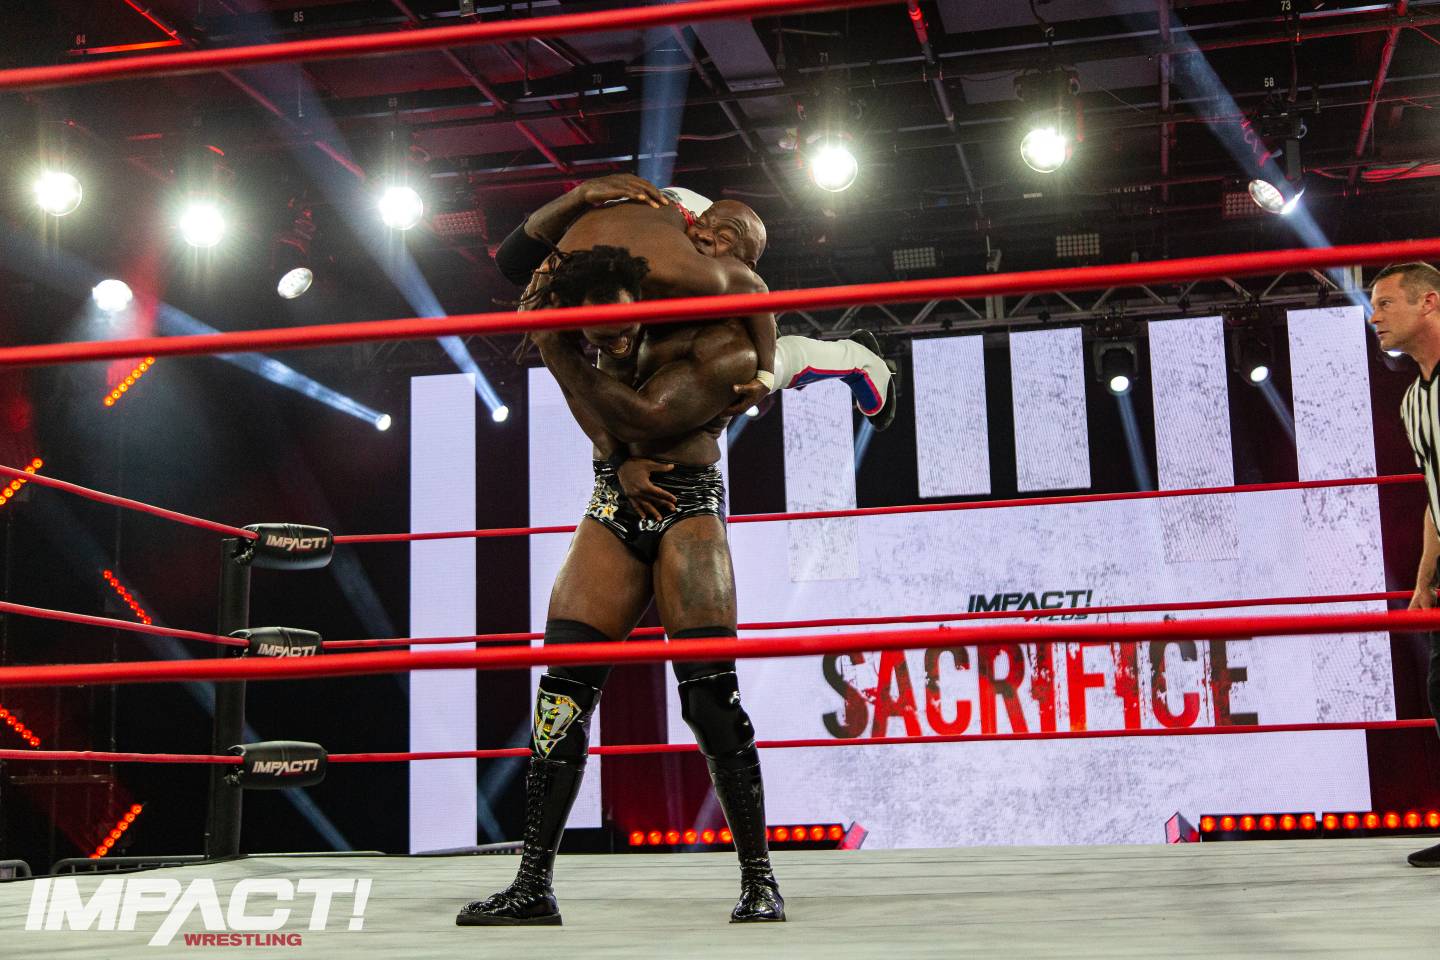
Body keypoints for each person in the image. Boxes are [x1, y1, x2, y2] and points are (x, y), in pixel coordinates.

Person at [458, 213, 784, 926]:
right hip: (613, 501)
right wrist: (615, 460)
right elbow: (599, 410)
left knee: (709, 700)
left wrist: (556, 347)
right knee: (561, 696)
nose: (606, 343)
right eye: (595, 335)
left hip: (686, 507)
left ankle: (760, 881)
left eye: (613, 332)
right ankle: (532, 886)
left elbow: (643, 415)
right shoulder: (621, 298)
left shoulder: (727, 346)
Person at [493, 174, 899, 432]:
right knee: (616, 363)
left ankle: (857, 359)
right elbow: (572, 379)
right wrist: (580, 194)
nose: (619, 343)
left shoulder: (693, 265)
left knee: (737, 355)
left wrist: (763, 374)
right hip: (637, 227)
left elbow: (757, 293)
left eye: (620, 333)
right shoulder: (543, 292)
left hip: (690, 221)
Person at [1372, 260, 1440, 868]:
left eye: (1386, 303)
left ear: (1428, 303)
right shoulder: (1414, 401)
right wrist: (1423, 580)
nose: (1375, 317)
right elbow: (1433, 495)